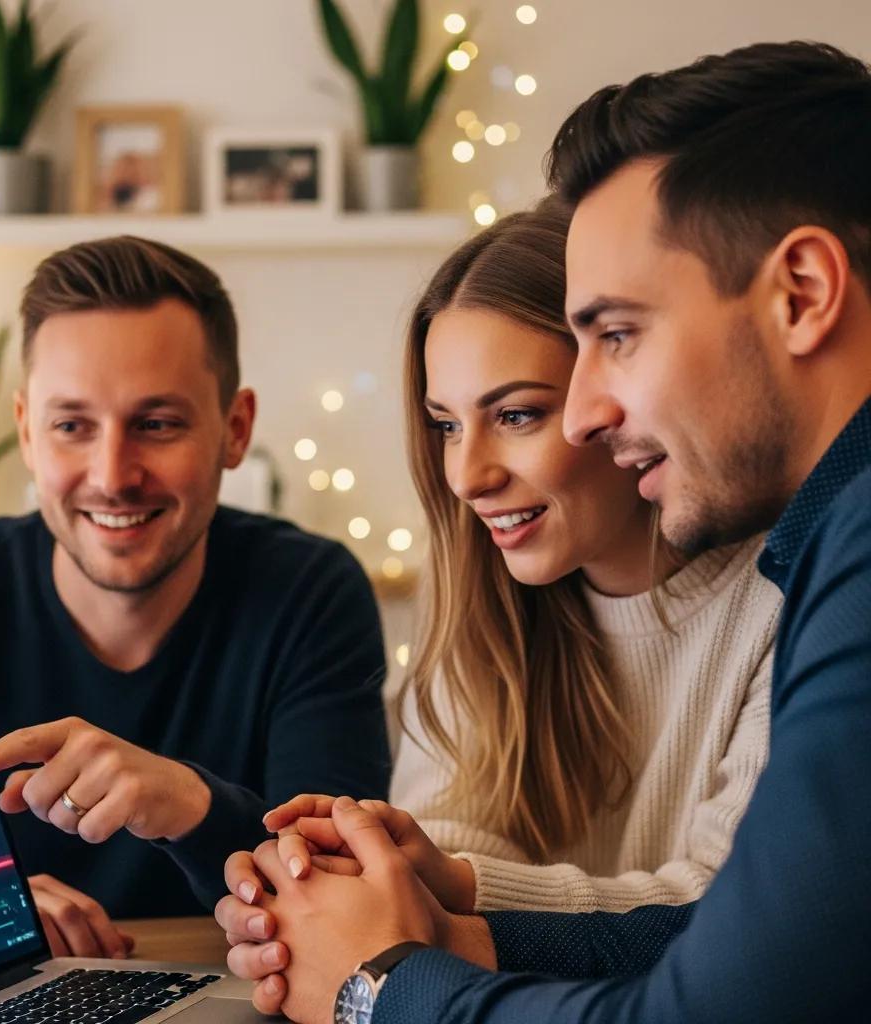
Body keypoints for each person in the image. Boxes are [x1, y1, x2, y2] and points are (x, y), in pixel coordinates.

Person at [216, 40, 871, 1023]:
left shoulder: (831, 561)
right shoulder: (831, 537)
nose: (587, 407)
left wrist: (375, 986)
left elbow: (715, 1000)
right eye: (444, 424)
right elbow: (725, 932)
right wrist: (438, 912)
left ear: (802, 293)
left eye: (615, 335)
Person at [0, 236, 390, 958]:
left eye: (157, 424)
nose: (113, 475)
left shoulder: (310, 594)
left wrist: (192, 807)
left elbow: (344, 898)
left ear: (235, 430)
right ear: (26, 433)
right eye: (72, 426)